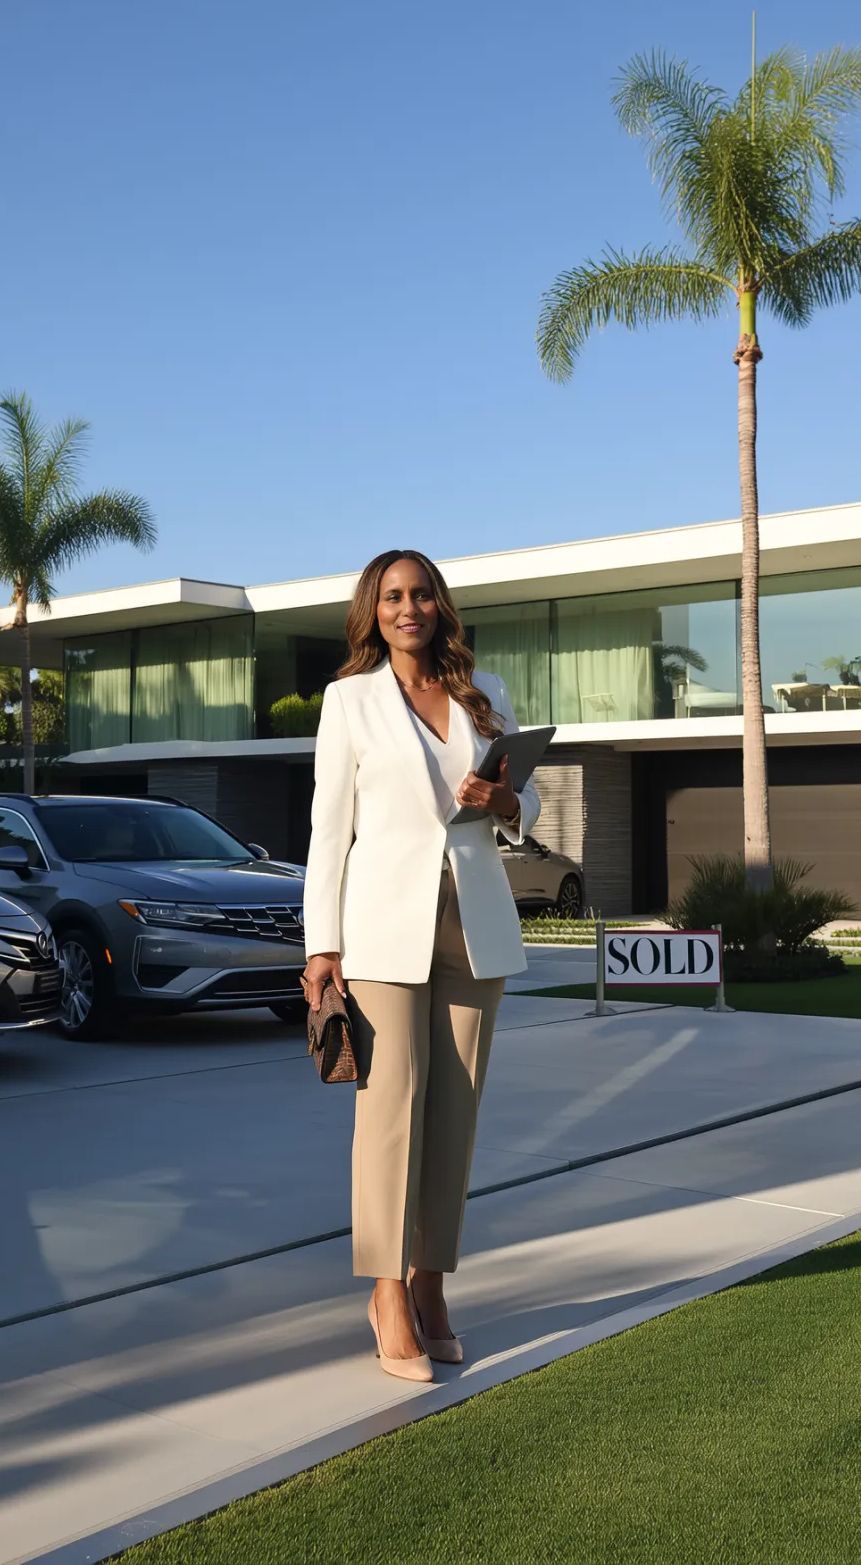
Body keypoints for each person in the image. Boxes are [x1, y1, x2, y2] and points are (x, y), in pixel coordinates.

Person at [302, 548, 541, 1381]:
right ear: (373, 612)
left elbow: (525, 800)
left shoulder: (485, 692)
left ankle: (430, 1283)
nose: (409, 607)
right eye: (393, 596)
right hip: (380, 930)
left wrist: (507, 801)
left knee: (456, 1111)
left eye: (421, 594)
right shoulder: (349, 700)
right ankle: (386, 1294)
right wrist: (320, 947)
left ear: (441, 605)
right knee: (391, 1109)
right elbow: (328, 830)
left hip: (473, 922)